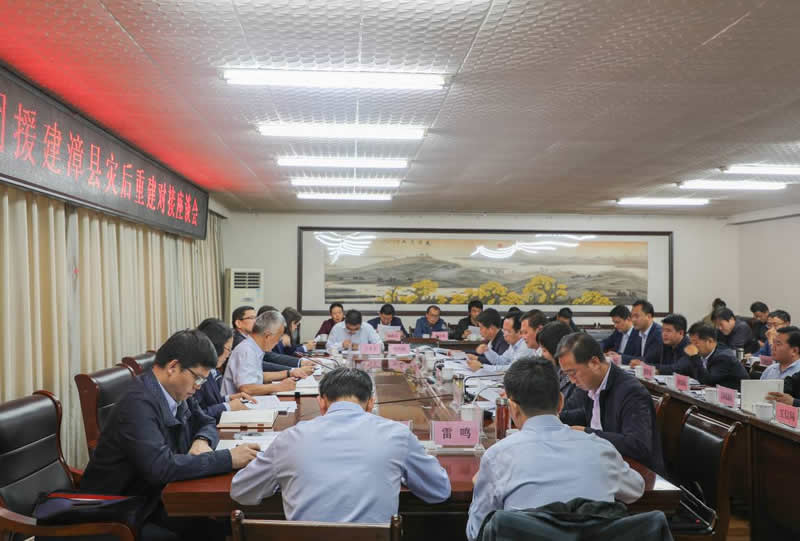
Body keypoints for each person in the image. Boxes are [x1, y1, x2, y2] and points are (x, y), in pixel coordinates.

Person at [80, 330, 260, 540]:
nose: (198, 386)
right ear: (173, 367)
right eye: (198, 378)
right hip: (120, 511)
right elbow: (161, 467)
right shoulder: (137, 404)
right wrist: (228, 458)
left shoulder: (177, 391)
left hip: (155, 499)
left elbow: (207, 421)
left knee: (229, 527)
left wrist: (202, 440)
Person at [230, 367, 451, 522]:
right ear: (371, 404)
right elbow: (439, 491)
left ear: (321, 402)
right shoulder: (397, 435)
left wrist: (284, 478)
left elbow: (241, 491)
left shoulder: (290, 439)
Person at [466, 358, 644, 541]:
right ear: (560, 402)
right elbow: (636, 489)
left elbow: (476, 532)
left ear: (513, 408)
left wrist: (482, 483)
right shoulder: (600, 449)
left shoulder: (497, 457)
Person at [558, 333, 664, 473]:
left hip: (636, 473)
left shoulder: (632, 392)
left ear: (594, 363)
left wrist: (587, 433)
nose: (572, 381)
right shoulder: (593, 383)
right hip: (605, 464)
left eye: (573, 373)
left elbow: (637, 445)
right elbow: (592, 416)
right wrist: (555, 418)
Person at [222, 310, 309, 397]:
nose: (278, 342)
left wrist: (289, 373)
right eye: (278, 338)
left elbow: (258, 376)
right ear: (267, 336)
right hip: (239, 403)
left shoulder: (253, 347)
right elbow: (246, 388)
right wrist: (280, 387)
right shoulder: (246, 351)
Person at [195, 318, 256, 422]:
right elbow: (196, 417)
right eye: (228, 349)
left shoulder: (212, 370)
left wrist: (229, 398)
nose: (228, 354)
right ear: (215, 347)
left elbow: (212, 401)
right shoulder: (196, 374)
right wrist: (227, 406)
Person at [673, 322, 749, 390]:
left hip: (736, 397)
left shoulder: (723, 357)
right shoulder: (702, 353)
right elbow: (682, 370)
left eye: (696, 342)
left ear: (710, 341)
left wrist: (694, 357)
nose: (692, 346)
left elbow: (707, 381)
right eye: (691, 342)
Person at [536, 321, 587, 414]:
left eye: (544, 350)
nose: (542, 355)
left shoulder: (580, 376)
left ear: (556, 349)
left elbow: (568, 408)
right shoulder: (558, 370)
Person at [466, 310, 531, 371]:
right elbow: (501, 361)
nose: (504, 334)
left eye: (508, 331)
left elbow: (511, 369)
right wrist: (487, 350)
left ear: (519, 332)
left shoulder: (525, 346)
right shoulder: (513, 344)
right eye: (504, 330)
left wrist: (482, 367)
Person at [625, 300, 662, 367]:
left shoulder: (658, 333)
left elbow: (648, 359)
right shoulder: (637, 331)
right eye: (632, 316)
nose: (633, 320)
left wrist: (620, 357)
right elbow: (636, 356)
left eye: (636, 316)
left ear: (648, 316)